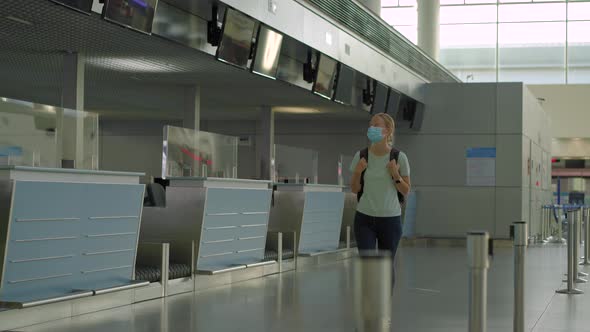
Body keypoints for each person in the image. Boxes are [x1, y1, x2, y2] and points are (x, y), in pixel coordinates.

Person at [349, 112, 411, 286]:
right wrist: (358, 171)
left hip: (390, 220)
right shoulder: (361, 156)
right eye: (370, 125)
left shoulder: (399, 157)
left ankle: (384, 306)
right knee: (368, 265)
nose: (372, 129)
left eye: (376, 125)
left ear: (388, 130)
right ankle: (369, 306)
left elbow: (406, 190)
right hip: (364, 218)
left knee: (386, 265)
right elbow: (354, 189)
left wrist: (395, 174)